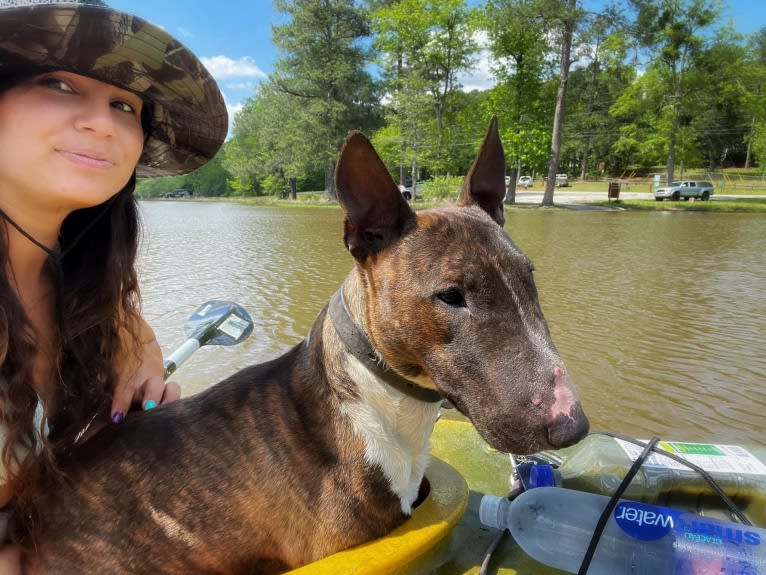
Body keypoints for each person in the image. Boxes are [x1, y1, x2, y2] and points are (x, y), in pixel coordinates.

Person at [0, 0, 228, 569]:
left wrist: (138, 340)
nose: (102, 122)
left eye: (123, 105)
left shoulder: (95, 303)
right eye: (57, 84)